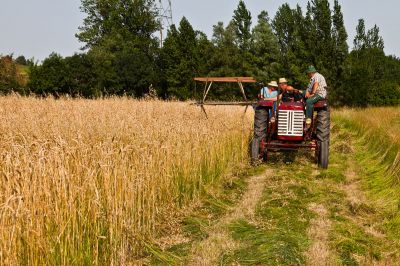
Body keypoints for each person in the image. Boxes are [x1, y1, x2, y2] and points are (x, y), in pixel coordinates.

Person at [251, 81, 279, 164]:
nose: (274, 88)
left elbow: (277, 99)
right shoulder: (264, 89)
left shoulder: (276, 92)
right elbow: (260, 97)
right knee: (259, 131)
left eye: (275, 87)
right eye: (273, 86)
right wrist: (269, 99)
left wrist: (267, 99)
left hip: (273, 108)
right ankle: (255, 157)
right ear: (270, 86)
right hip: (263, 108)